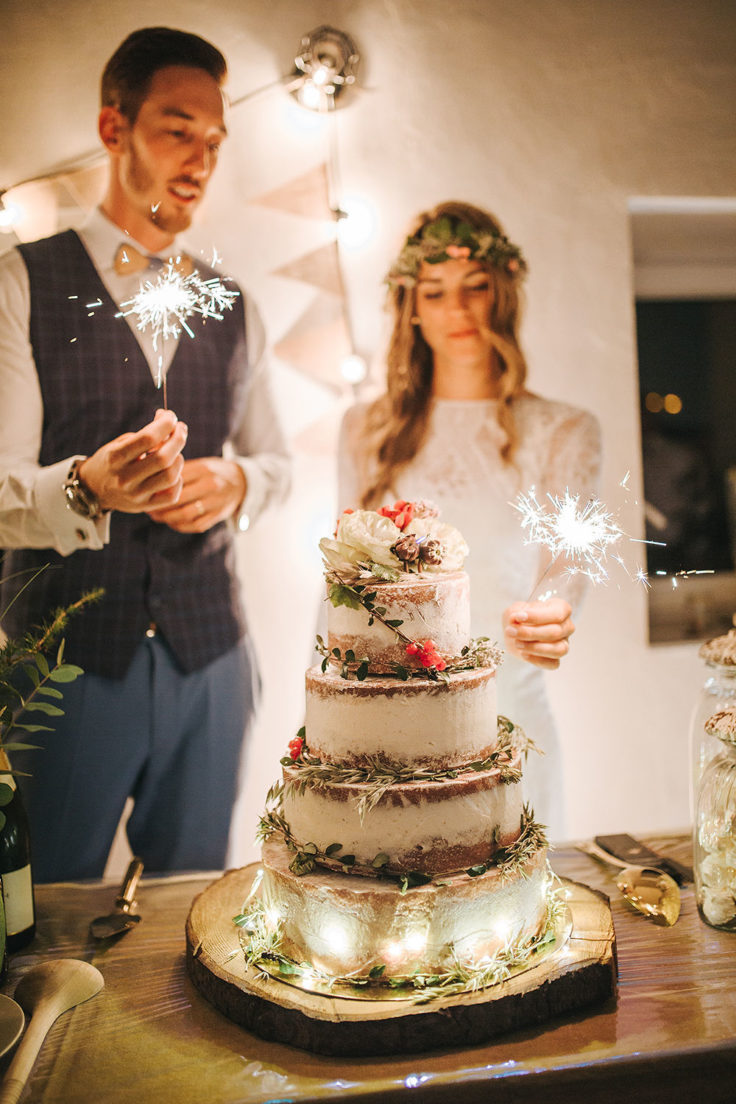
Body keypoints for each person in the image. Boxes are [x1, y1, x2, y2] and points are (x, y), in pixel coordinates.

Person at [0, 27, 291, 880]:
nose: (200, 157)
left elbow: (278, 462)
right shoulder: (20, 282)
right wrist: (88, 488)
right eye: (176, 128)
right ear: (113, 128)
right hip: (67, 661)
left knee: (196, 913)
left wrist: (234, 482)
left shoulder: (236, 305)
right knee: (44, 915)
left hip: (214, 659)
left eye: (214, 140)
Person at [338, 201, 601, 838]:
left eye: (476, 288)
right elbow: (346, 582)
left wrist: (550, 612)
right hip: (392, 717)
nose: (457, 310)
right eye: (436, 292)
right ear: (412, 305)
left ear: (503, 294)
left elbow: (569, 565)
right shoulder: (366, 430)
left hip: (508, 705)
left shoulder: (564, 429)